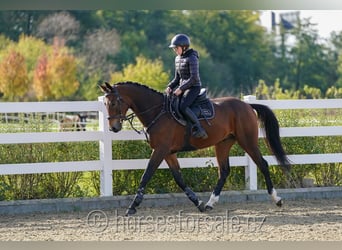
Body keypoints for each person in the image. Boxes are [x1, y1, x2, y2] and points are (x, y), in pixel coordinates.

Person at [165, 34, 208, 139]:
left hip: (194, 88)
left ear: (184, 47)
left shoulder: (192, 58)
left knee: (183, 106)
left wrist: (180, 89)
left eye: (176, 48)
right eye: (174, 48)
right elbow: (177, 78)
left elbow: (194, 78)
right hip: (183, 88)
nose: (175, 50)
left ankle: (199, 128)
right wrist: (170, 86)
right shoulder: (177, 58)